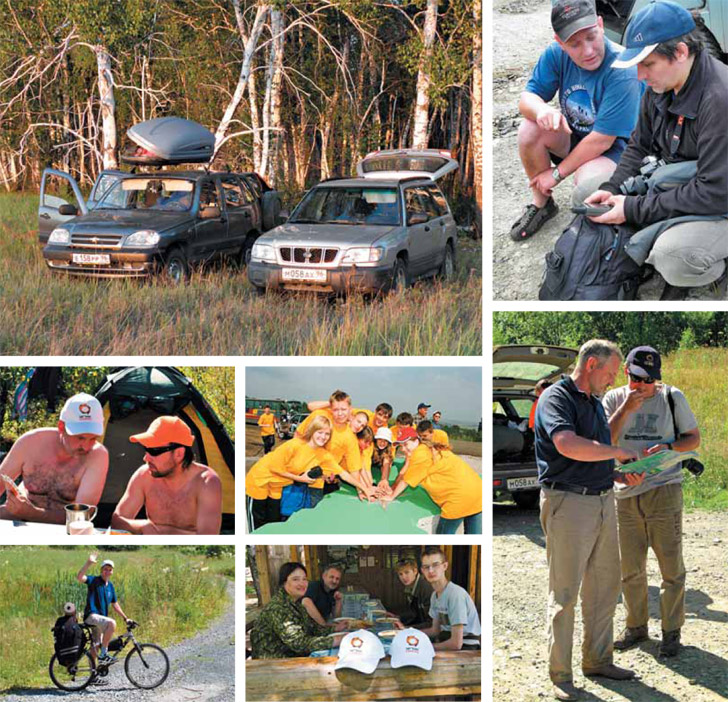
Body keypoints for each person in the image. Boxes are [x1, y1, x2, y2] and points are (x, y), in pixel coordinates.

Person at [586, 1, 728, 300]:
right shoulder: (661, 84)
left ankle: (713, 264)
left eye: (647, 64)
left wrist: (632, 208)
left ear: (680, 52)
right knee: (587, 195)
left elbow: (714, 193)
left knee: (673, 258)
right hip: (679, 181)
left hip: (718, 201)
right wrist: (612, 188)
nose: (640, 75)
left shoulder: (719, 99)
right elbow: (638, 146)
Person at [534, 339, 643, 701]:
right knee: (564, 593)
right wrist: (617, 452)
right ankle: (560, 675)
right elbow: (566, 444)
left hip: (601, 499)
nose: (613, 380)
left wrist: (616, 472)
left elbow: (594, 448)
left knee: (604, 587)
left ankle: (598, 660)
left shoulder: (594, 403)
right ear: (592, 364)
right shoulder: (557, 397)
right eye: (611, 373)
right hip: (568, 503)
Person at [510, 0, 642, 241]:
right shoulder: (555, 54)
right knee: (528, 129)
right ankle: (542, 204)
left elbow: (602, 141)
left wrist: (557, 173)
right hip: (577, 135)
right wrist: (540, 110)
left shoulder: (623, 69)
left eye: (592, 36)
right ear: (560, 43)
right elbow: (526, 99)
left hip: (616, 150)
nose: (588, 51)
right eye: (575, 44)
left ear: (600, 25)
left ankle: (607, 229)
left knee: (586, 187)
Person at [602, 346, 700, 658]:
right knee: (630, 568)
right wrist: (627, 408)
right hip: (626, 493)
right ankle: (636, 627)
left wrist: (670, 445)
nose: (645, 387)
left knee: (671, 567)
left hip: (665, 489)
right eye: (639, 380)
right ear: (626, 373)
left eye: (651, 381)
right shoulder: (614, 399)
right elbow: (604, 441)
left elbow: (693, 438)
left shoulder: (673, 396)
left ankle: (671, 632)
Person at [246, 415, 372, 530]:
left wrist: (363, 489)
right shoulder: (294, 445)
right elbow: (274, 468)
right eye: (320, 432)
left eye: (327, 434)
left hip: (276, 486)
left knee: (273, 522)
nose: (323, 437)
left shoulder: (323, 455)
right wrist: (301, 479)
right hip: (260, 480)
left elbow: (344, 474)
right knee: (259, 522)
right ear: (312, 431)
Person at [0, 393, 108, 524]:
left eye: (93, 439)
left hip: (63, 527)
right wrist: (24, 512)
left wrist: (31, 513)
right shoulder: (30, 442)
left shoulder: (97, 455)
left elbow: (81, 517)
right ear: (61, 427)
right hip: (18, 517)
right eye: (80, 438)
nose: (86, 446)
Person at [111, 416, 222, 535]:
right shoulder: (144, 475)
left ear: (179, 454)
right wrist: (143, 526)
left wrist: (164, 532)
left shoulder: (207, 482)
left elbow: (208, 538)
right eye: (146, 449)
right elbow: (117, 521)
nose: (146, 458)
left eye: (154, 451)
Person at [380, 427, 482, 535]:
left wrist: (391, 496)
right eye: (401, 446)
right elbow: (408, 473)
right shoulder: (432, 448)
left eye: (406, 444)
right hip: (478, 492)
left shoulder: (419, 454)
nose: (403, 449)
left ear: (416, 441)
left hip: (458, 499)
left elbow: (407, 480)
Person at [250, 562, 348, 658]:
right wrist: (337, 639)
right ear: (284, 582)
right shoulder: (279, 607)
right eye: (295, 579)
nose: (302, 583)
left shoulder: (295, 602)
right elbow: (299, 644)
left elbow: (312, 628)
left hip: (291, 655)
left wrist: (334, 629)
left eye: (304, 579)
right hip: (273, 661)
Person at [297, 391, 365, 505]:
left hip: (320, 483)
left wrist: (361, 490)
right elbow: (298, 436)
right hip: (298, 475)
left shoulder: (350, 438)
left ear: (350, 409)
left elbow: (354, 469)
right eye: (335, 409)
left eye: (343, 409)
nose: (340, 413)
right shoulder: (319, 416)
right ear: (331, 408)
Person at [416, 547, 480, 651]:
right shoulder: (434, 596)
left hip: (467, 646)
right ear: (422, 570)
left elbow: (456, 644)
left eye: (435, 565)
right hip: (446, 640)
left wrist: (425, 648)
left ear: (445, 566)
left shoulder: (455, 594)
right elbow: (435, 630)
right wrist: (408, 632)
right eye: (426, 567)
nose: (431, 570)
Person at [77, 553, 131, 662]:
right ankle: (104, 653)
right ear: (101, 570)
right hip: (91, 616)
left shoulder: (110, 586)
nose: (107, 571)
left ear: (112, 572)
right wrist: (88, 563)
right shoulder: (94, 581)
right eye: (105, 569)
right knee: (112, 623)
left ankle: (94, 673)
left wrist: (126, 618)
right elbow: (79, 577)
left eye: (110, 569)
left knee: (96, 645)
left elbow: (115, 604)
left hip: (100, 620)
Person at [394, 557, 433, 628]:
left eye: (406, 572)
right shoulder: (409, 587)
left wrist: (406, 628)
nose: (404, 577)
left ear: (415, 571)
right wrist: (396, 617)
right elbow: (414, 613)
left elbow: (430, 623)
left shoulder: (425, 588)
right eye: (400, 574)